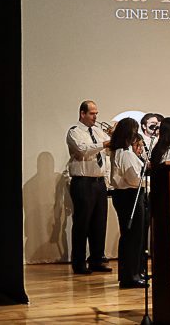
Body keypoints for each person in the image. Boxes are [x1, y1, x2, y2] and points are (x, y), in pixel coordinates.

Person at [66, 100, 112, 275]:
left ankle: (97, 259)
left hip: (99, 182)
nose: (95, 117)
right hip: (83, 182)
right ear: (82, 114)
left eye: (96, 113)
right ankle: (78, 262)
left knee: (99, 223)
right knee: (82, 223)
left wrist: (115, 139)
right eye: (92, 113)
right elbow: (82, 150)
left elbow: (108, 151)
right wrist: (104, 144)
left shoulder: (99, 132)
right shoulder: (74, 132)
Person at [108, 118, 148, 289]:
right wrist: (149, 180)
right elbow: (134, 180)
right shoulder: (125, 153)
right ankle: (131, 276)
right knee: (133, 236)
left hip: (124, 196)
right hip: (129, 196)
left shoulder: (119, 151)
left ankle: (131, 273)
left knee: (130, 236)